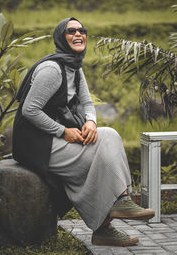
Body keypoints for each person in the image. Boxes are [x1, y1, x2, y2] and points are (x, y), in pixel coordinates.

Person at [12, 17, 155, 247]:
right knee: (96, 161)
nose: (78, 34)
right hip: (35, 142)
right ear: (61, 36)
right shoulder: (52, 69)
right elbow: (29, 110)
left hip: (54, 136)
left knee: (109, 134)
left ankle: (118, 203)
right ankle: (105, 225)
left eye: (82, 30)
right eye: (71, 31)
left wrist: (90, 122)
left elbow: (88, 103)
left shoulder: (74, 67)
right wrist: (62, 131)